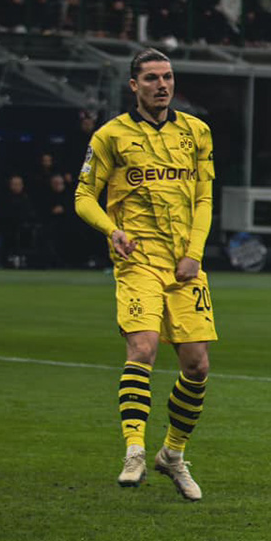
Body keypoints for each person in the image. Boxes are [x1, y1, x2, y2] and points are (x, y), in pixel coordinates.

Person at [73, 51, 216, 499]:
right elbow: (83, 196)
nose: (162, 85)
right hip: (138, 261)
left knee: (197, 365)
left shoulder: (197, 132)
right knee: (144, 347)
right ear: (134, 85)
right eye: (151, 78)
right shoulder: (110, 136)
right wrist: (111, 230)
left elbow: (205, 199)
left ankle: (172, 455)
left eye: (168, 77)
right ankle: (134, 449)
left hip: (185, 265)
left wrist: (194, 253)